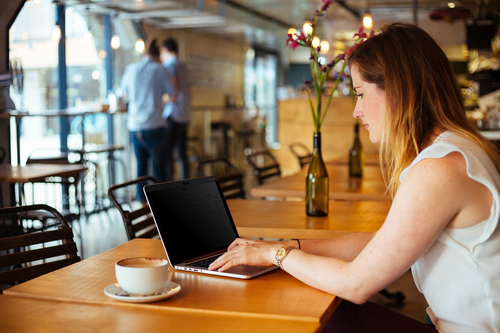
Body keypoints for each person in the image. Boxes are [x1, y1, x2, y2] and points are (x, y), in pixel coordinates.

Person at [209, 23, 500, 332]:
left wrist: (275, 254)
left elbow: (357, 284)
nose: (356, 111)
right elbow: (382, 242)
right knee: (321, 305)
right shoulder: (457, 148)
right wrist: (289, 245)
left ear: (399, 90)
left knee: (321, 313)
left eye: (361, 94)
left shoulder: (441, 167)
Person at [120, 39, 175, 201]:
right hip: (154, 124)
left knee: (141, 169)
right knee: (159, 169)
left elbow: (124, 94)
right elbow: (172, 93)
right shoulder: (160, 69)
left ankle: (143, 205)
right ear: (158, 56)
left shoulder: (131, 69)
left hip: (135, 126)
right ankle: (162, 205)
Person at [160, 38, 192, 181]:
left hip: (174, 114)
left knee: (167, 154)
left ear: (164, 50)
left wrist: (162, 99)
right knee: (182, 154)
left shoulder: (170, 65)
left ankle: (168, 186)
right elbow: (190, 89)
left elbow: (174, 90)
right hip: (185, 114)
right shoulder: (183, 65)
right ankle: (186, 184)